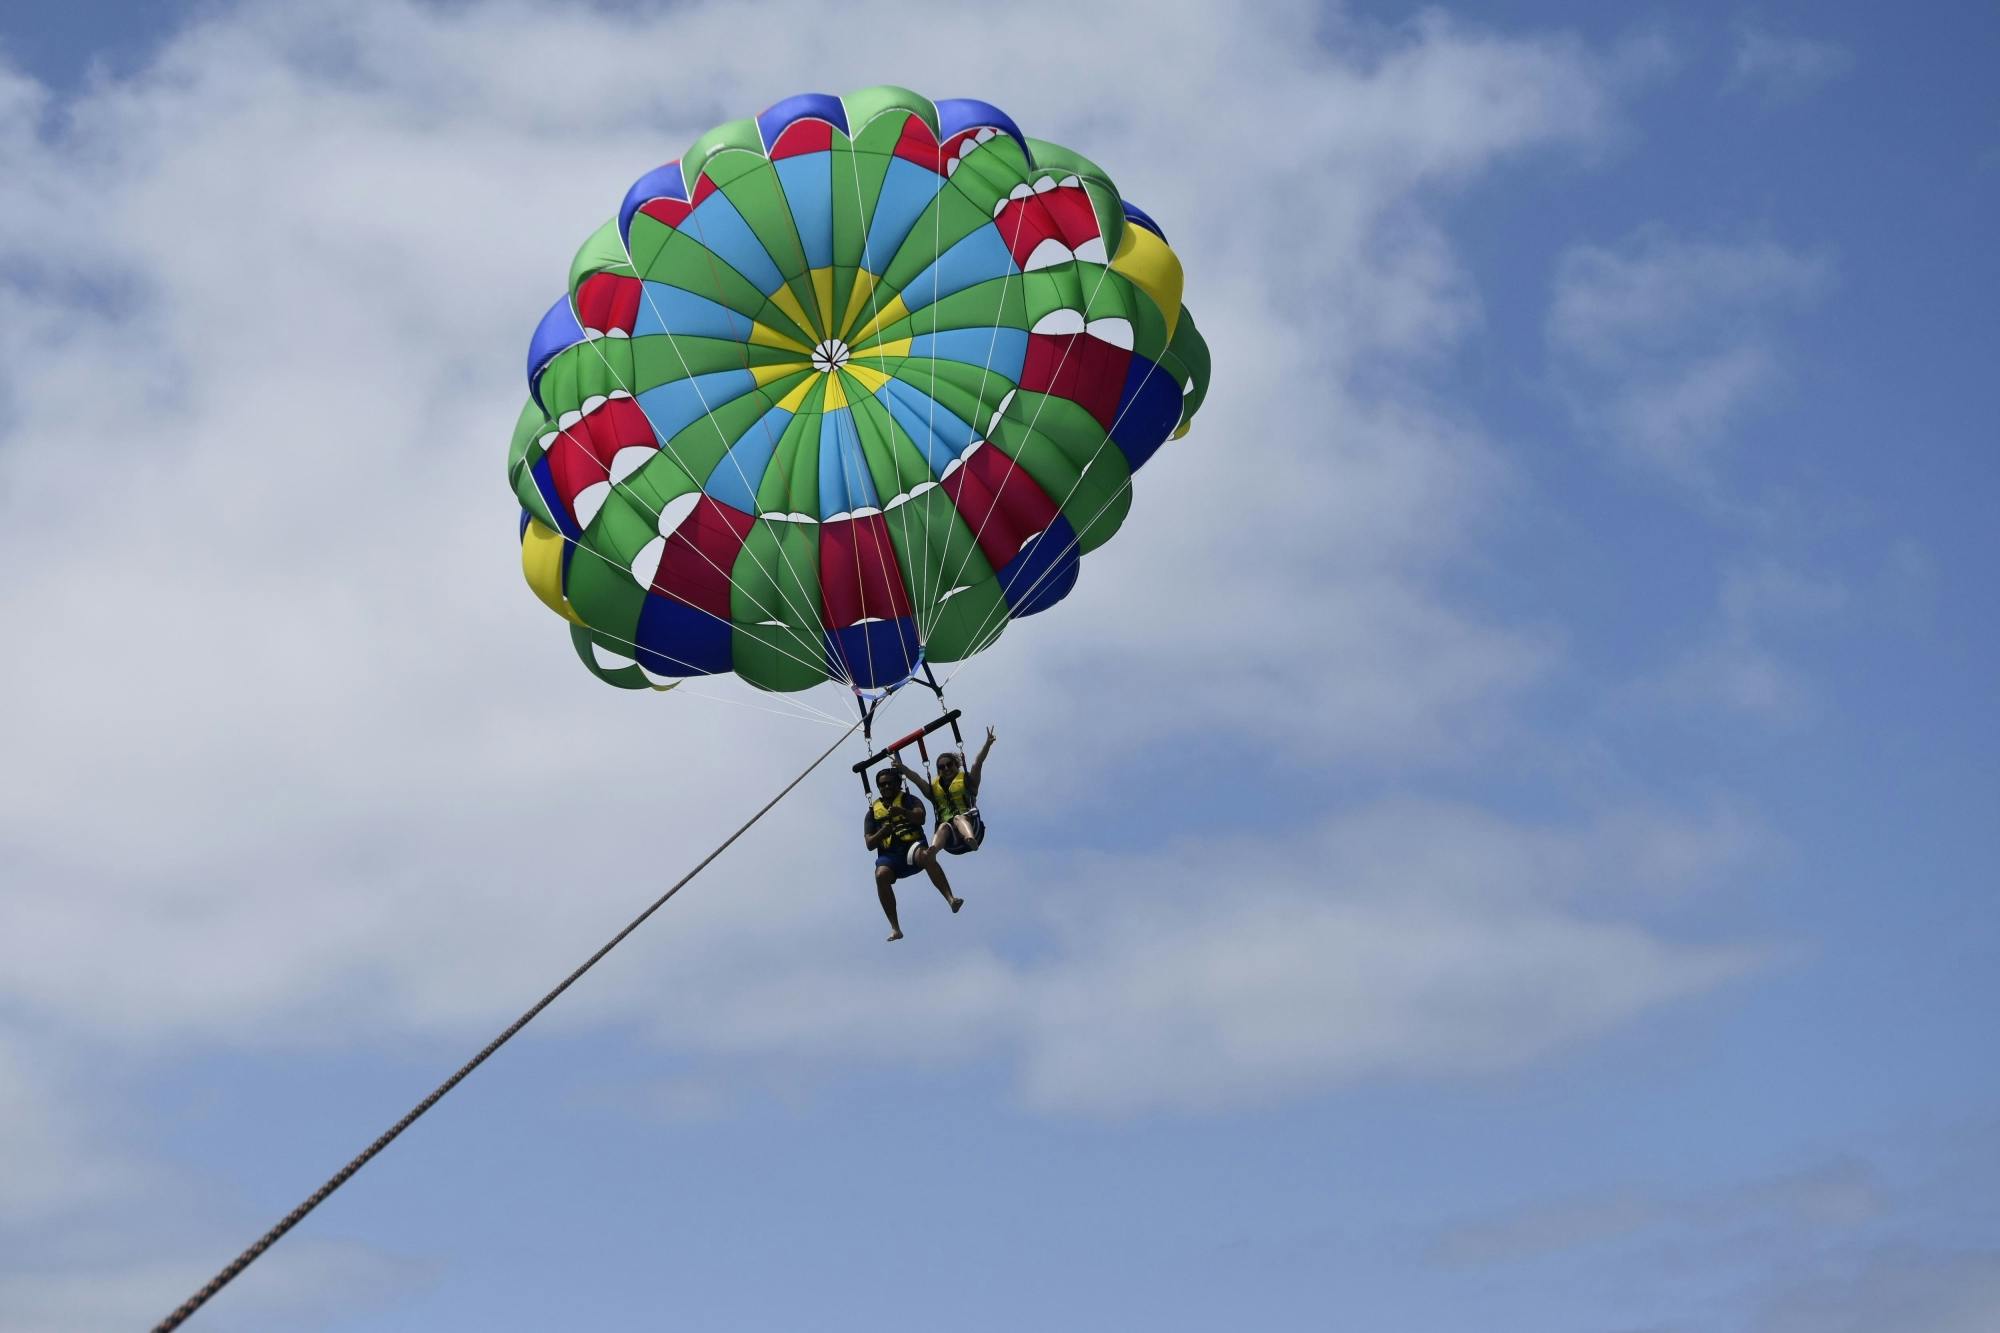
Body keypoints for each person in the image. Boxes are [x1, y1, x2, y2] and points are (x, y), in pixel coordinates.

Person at [865, 767, 961, 941]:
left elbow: (921, 817)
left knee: (926, 855)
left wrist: (902, 812)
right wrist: (881, 833)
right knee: (880, 875)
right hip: (890, 856)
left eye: (889, 783)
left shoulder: (909, 799)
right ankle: (895, 927)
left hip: (913, 848)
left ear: (898, 784)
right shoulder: (872, 812)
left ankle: (950, 898)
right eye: (881, 785)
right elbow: (870, 844)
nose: (885, 787)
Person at [894, 726, 995, 857]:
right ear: (938, 771)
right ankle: (933, 850)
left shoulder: (968, 782)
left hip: (973, 827)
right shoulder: (933, 790)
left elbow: (977, 763)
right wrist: (901, 767)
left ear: (956, 765)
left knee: (959, 818)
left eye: (949, 764)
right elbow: (917, 779)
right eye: (941, 767)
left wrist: (987, 744)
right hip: (951, 840)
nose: (946, 768)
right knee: (943, 826)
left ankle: (969, 838)